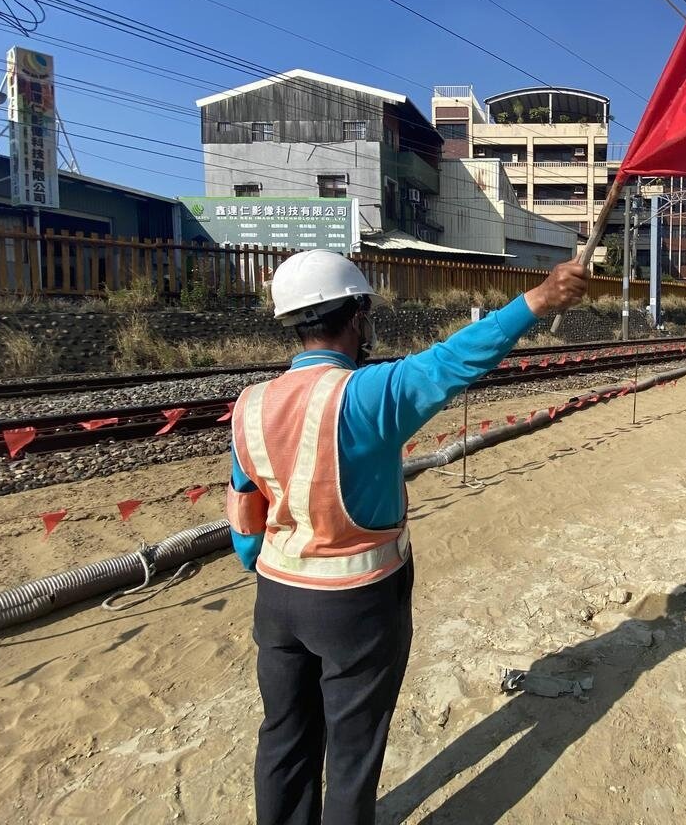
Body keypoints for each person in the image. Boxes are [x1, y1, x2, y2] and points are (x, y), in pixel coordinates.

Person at [225, 249, 588, 825]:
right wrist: (537, 303)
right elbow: (454, 360)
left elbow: (245, 517)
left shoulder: (250, 404)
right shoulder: (369, 395)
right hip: (357, 604)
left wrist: (270, 563)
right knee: (351, 754)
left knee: (283, 739)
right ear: (358, 316)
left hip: (276, 600)